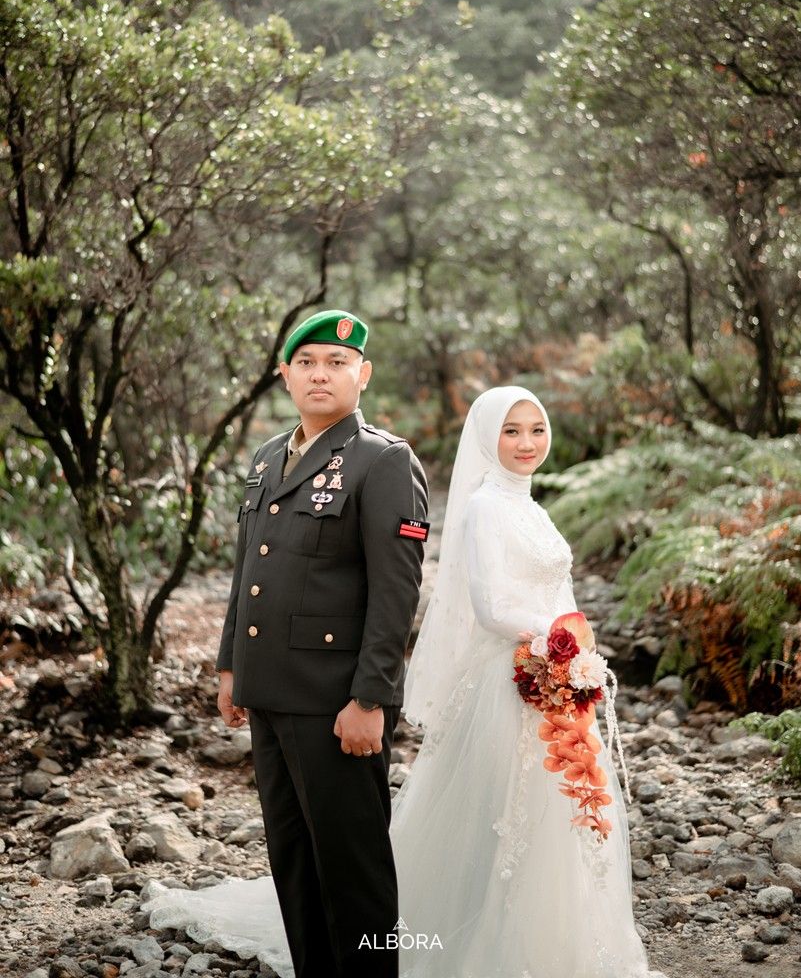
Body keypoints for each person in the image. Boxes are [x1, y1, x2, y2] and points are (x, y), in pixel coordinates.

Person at [145, 385, 659, 978]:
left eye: (536, 429)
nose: (526, 442)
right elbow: (489, 606)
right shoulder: (483, 506)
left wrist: (572, 657)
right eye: (511, 430)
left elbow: (548, 590)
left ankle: (543, 947)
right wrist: (559, 638)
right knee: (491, 820)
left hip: (548, 676)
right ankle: (467, 946)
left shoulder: (532, 508)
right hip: (507, 678)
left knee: (549, 818)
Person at [148, 309, 429, 978]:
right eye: (306, 363)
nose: (320, 374)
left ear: (362, 374)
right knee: (294, 865)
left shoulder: (383, 461)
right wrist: (230, 666)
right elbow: (249, 569)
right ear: (284, 375)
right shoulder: (268, 455)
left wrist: (371, 698)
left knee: (354, 873)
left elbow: (395, 593)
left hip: (336, 701)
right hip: (270, 690)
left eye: (336, 362)